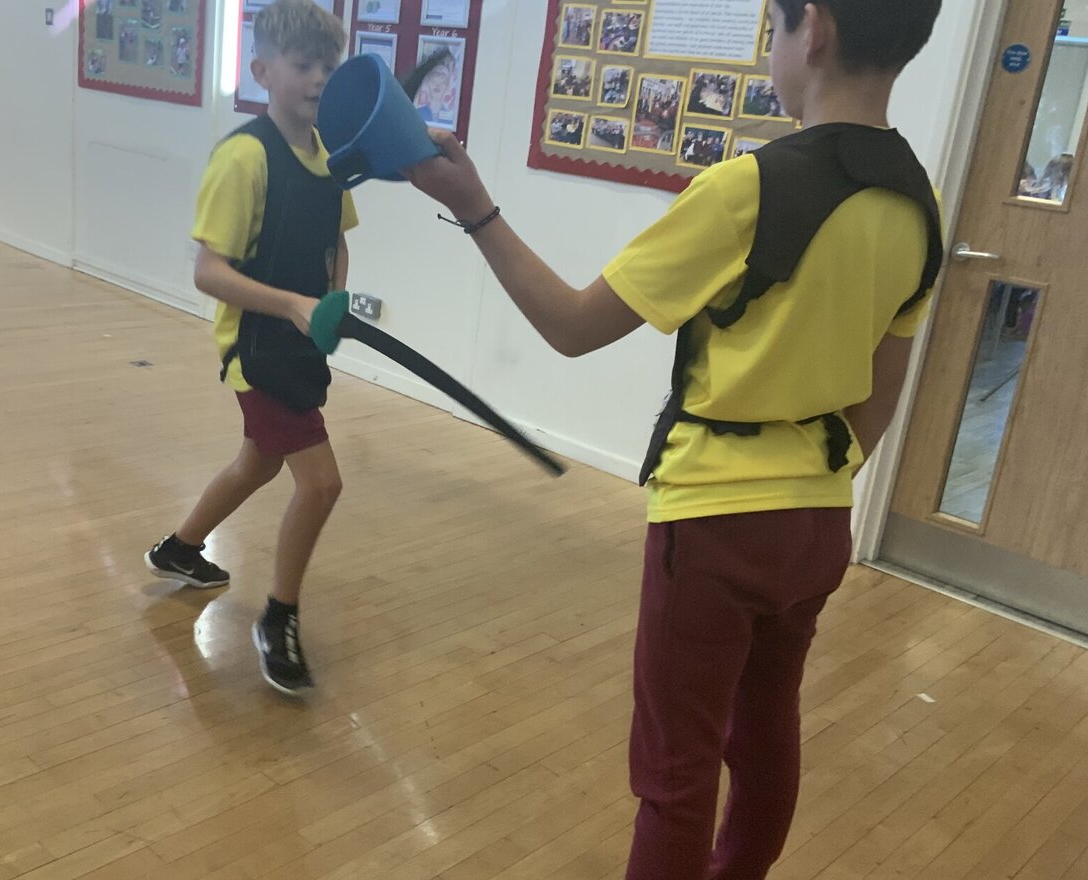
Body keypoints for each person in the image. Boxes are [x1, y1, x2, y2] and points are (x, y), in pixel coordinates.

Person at [403, 0, 945, 876]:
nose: (774, 51)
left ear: (818, 31)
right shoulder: (920, 204)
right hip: (818, 521)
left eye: (775, 28)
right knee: (766, 743)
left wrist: (476, 210)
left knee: (675, 775)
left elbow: (573, 326)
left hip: (716, 523)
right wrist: (807, 489)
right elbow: (878, 403)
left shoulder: (744, 189)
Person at [144, 0, 355, 696]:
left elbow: (336, 240)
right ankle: (279, 617)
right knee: (321, 484)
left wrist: (331, 300)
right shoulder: (244, 156)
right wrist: (293, 306)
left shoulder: (328, 157)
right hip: (257, 351)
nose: (318, 78)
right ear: (263, 70)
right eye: (303, 65)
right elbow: (209, 270)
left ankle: (178, 548)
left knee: (259, 463)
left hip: (299, 346)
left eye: (328, 65)